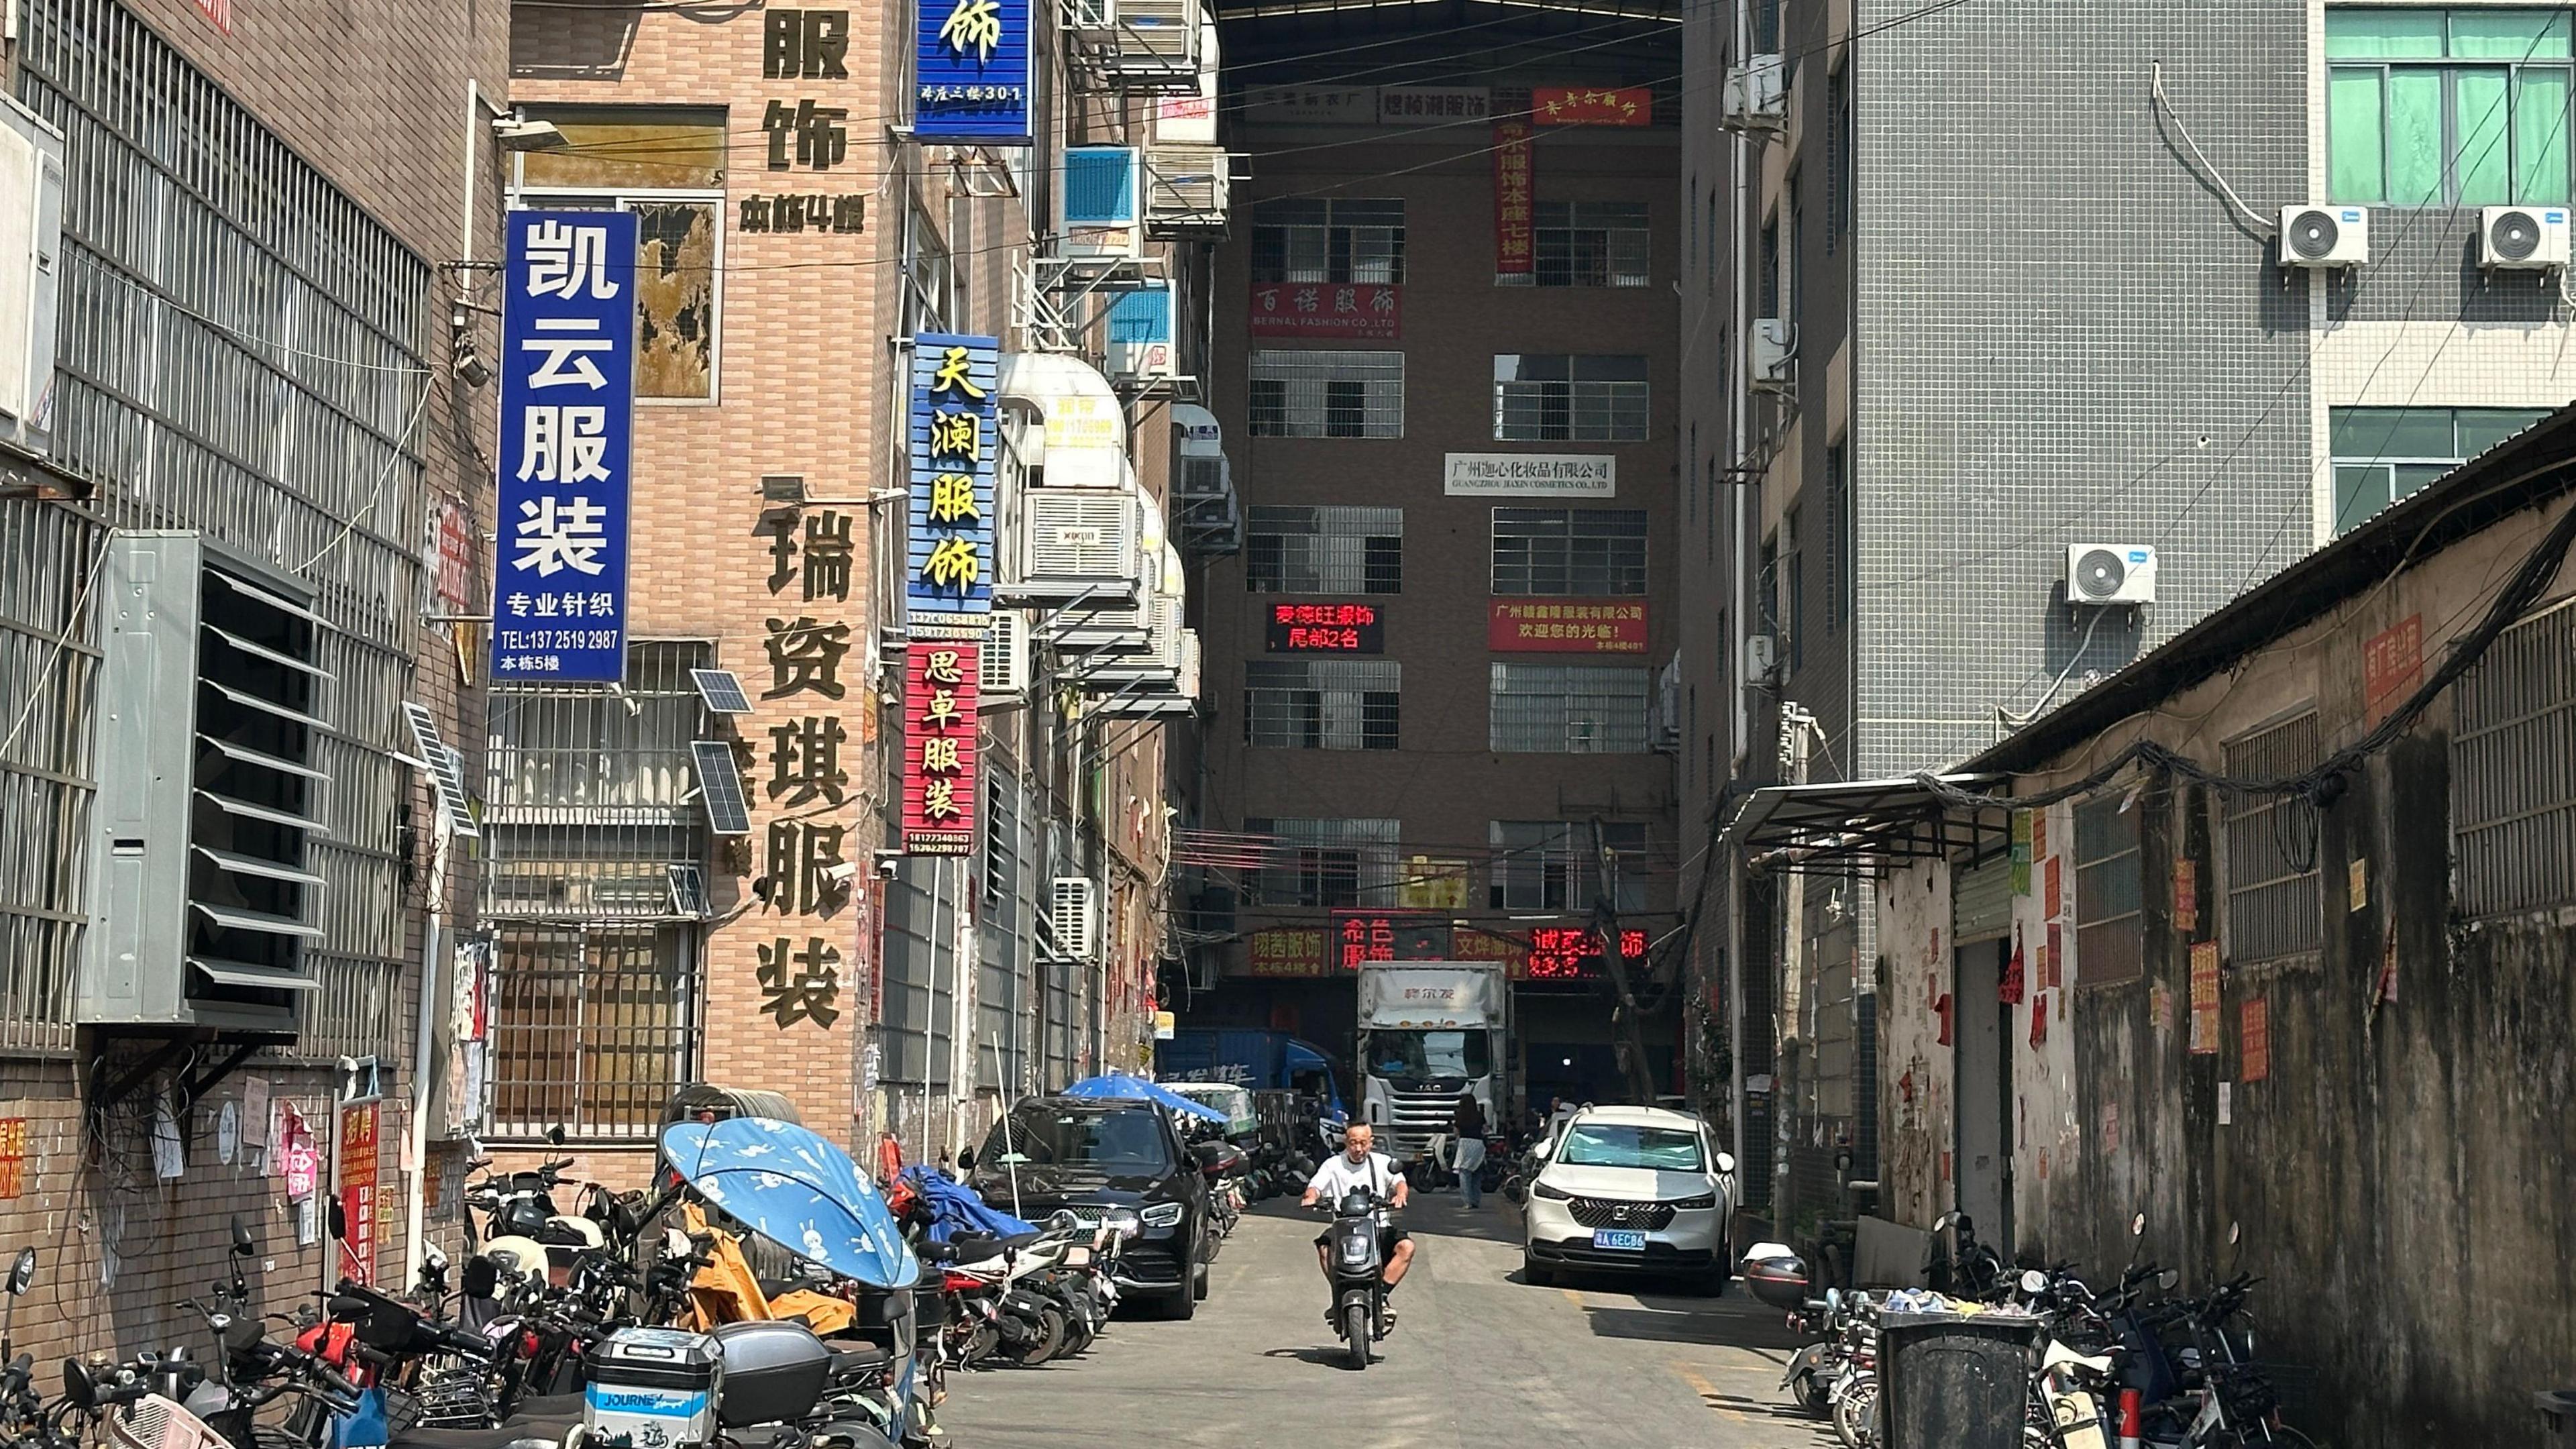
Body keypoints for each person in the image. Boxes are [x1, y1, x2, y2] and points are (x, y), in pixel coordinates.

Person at [1301, 1122, 1413, 1315]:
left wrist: (1400, 1195)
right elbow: (1316, 1186)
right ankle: (1338, 1293)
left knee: (1407, 1247)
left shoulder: (1382, 1162)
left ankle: (1382, 1294)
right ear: (1346, 1142)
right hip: (1343, 1226)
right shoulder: (1333, 1164)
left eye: (1363, 1143)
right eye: (1353, 1143)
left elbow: (1400, 1182)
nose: (1358, 1149)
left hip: (1378, 1226)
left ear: (1371, 1142)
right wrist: (1311, 1197)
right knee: (1324, 1248)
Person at [1450, 1094, 1488, 1208]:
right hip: (1478, 1144)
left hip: (1465, 1144)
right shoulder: (1479, 1115)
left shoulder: (1459, 1115)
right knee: (1477, 1172)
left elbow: (1456, 1132)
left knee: (1464, 1172)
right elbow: (1486, 1129)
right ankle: (1476, 1200)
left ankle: (1467, 1201)